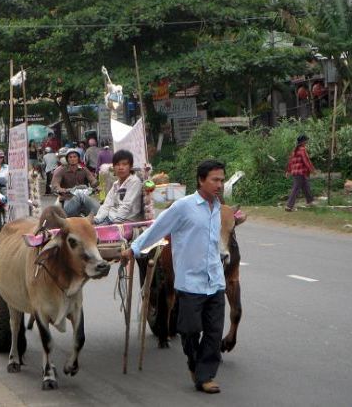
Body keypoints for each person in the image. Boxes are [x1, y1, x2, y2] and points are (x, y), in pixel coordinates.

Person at [122, 160, 226, 394]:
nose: (219, 185)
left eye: (222, 180)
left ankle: (205, 375)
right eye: (215, 180)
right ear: (201, 180)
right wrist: (134, 249)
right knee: (189, 331)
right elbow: (158, 228)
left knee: (214, 331)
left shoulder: (218, 207)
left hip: (215, 281)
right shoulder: (183, 207)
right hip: (190, 282)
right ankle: (194, 363)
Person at [94, 149, 142, 225]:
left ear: (131, 166)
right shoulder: (116, 184)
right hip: (110, 218)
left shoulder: (134, 181)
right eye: (117, 164)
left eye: (124, 164)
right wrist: (97, 220)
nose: (120, 167)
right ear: (113, 167)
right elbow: (107, 204)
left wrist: (115, 224)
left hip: (125, 221)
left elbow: (126, 205)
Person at [51, 148, 99, 217]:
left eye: (75, 157)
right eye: (70, 157)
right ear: (67, 159)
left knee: (99, 210)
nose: (73, 159)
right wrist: (62, 190)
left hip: (84, 197)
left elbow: (92, 179)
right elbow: (55, 184)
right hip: (68, 198)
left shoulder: (83, 169)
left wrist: (95, 185)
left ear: (78, 158)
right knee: (79, 195)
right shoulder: (61, 170)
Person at [285, 134, 316, 212]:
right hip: (300, 172)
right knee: (296, 189)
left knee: (306, 187)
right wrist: (312, 170)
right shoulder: (302, 149)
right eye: (306, 141)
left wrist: (288, 171)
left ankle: (310, 202)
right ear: (303, 142)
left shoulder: (295, 150)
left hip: (296, 172)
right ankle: (289, 206)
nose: (307, 142)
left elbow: (290, 162)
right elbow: (306, 160)